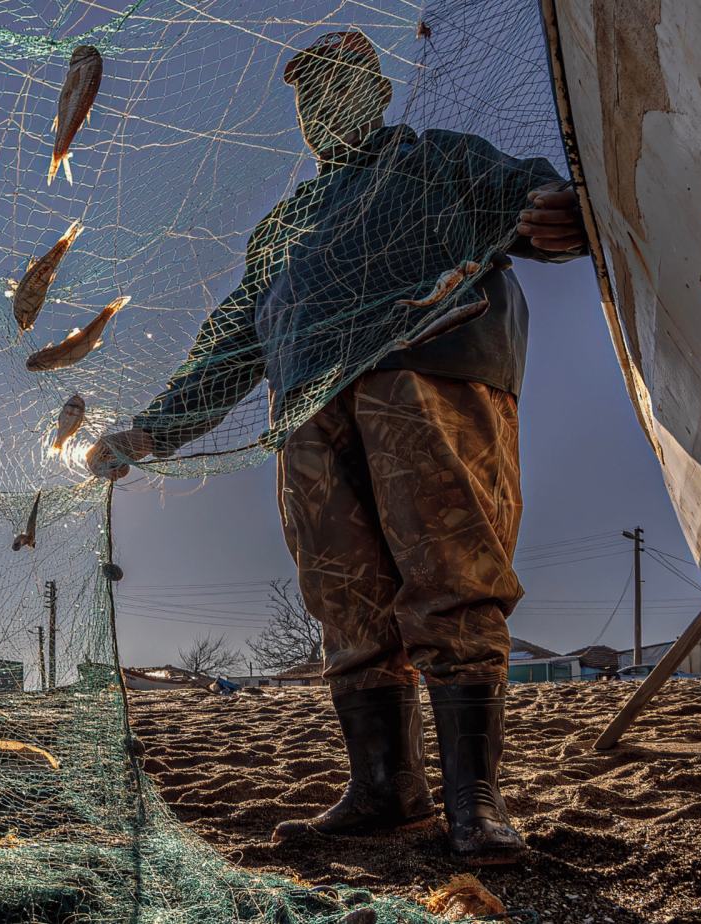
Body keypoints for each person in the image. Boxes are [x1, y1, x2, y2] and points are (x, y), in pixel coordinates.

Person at [88, 30, 586, 865]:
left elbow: (530, 201)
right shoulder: (284, 226)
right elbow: (230, 344)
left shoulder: (441, 160)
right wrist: (154, 428)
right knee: (345, 601)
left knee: (451, 578)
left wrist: (554, 213)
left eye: (342, 89)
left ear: (378, 95)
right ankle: (386, 790)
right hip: (308, 414)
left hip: (432, 369)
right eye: (310, 97)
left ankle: (475, 803)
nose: (325, 108)